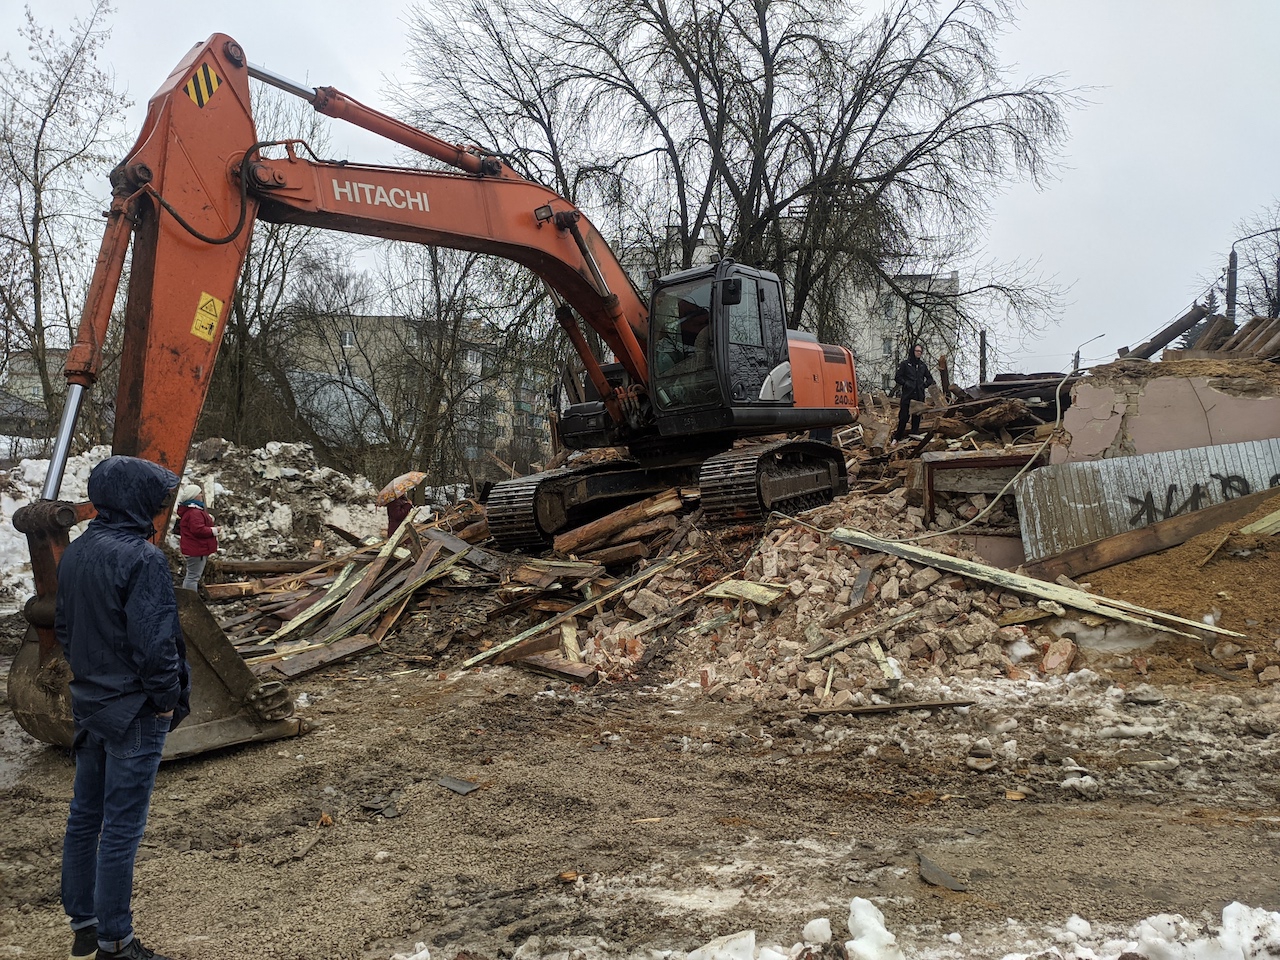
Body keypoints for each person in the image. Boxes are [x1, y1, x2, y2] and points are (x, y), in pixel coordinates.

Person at [57, 455, 190, 960]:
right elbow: (156, 643)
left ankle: (85, 925)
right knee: (121, 828)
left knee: (85, 816)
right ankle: (117, 941)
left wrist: (92, 679)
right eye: (157, 503)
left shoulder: (77, 551)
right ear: (138, 501)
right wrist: (164, 700)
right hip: (134, 708)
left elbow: (66, 631)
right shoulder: (143, 558)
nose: (160, 512)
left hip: (92, 702)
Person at [176, 483, 219, 592]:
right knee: (193, 577)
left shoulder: (191, 510)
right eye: (199, 493)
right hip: (197, 549)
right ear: (194, 495)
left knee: (191, 576)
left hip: (194, 548)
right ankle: (191, 602)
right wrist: (214, 531)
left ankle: (188, 599)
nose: (202, 495)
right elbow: (198, 530)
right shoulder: (195, 512)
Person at [894, 342, 936, 441]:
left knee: (916, 419)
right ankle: (897, 438)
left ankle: (913, 439)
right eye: (917, 351)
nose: (918, 353)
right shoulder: (905, 364)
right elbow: (897, 377)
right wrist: (906, 383)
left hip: (919, 397)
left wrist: (923, 386)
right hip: (907, 396)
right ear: (913, 351)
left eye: (920, 352)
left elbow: (930, 379)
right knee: (903, 418)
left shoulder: (922, 366)